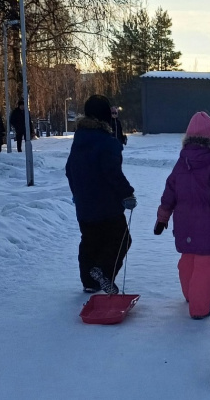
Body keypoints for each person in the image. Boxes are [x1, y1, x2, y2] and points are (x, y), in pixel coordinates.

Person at [154, 112, 210, 320]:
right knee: (205, 265)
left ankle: (190, 295)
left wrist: (162, 218)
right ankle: (199, 309)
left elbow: (168, 194)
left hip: (184, 224)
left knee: (188, 260)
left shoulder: (181, 164)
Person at [66, 95, 137, 294]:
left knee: (90, 240)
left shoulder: (79, 139)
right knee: (121, 239)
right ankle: (104, 272)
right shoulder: (108, 142)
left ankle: (89, 281)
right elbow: (112, 172)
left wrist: (77, 193)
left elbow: (69, 169)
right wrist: (127, 194)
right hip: (107, 205)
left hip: (84, 205)